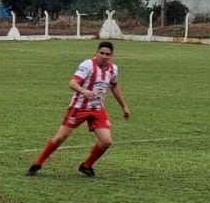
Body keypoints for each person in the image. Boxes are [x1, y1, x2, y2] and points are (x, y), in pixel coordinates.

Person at [27, 40, 132, 178]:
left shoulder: (113, 69)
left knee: (106, 141)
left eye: (107, 54)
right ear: (97, 52)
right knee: (60, 137)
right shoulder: (87, 65)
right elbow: (72, 83)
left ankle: (86, 165)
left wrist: (124, 106)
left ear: (111, 55)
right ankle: (37, 163)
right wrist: (84, 91)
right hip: (79, 107)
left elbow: (114, 86)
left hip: (98, 109)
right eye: (102, 53)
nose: (104, 56)